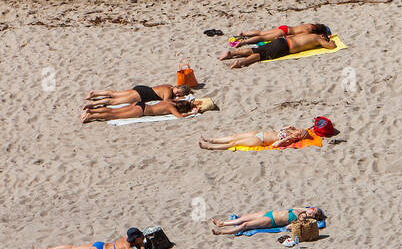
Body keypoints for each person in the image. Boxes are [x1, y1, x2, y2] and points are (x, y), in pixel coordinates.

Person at [216, 27, 334, 68]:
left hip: (282, 40)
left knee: (256, 49)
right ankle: (241, 63)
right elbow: (331, 47)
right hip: (285, 47)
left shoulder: (307, 34)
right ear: (323, 35)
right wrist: (330, 40)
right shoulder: (318, 38)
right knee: (261, 56)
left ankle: (231, 54)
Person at [198, 118, 335, 150]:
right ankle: (212, 140)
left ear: (299, 137)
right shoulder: (293, 130)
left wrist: (288, 138)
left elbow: (275, 144)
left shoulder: (290, 140)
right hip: (260, 133)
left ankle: (210, 147)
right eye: (300, 129)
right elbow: (282, 128)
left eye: (300, 132)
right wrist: (290, 128)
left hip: (261, 141)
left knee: (235, 143)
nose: (298, 130)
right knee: (235, 136)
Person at [81, 96, 214, 123]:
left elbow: (181, 99)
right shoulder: (172, 108)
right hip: (141, 111)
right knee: (114, 115)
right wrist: (191, 113)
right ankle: (91, 116)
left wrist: (190, 102)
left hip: (139, 104)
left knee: (113, 111)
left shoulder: (170, 101)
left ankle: (91, 111)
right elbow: (179, 117)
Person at [211, 206, 326, 235]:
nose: (310, 210)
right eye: (312, 208)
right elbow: (295, 208)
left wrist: (306, 218)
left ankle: (222, 232)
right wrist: (306, 210)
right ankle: (223, 223)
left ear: (313, 217)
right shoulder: (303, 211)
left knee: (246, 224)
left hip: (272, 221)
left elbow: (288, 227)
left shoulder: (302, 219)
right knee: (243, 218)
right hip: (270, 213)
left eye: (313, 211)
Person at [84, 83, 192, 108]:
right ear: (177, 87)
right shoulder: (168, 93)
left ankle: (95, 94)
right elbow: (166, 102)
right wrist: (178, 100)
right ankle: (93, 103)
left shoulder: (168, 86)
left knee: (115, 94)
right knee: (113, 101)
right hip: (141, 95)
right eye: (178, 92)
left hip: (141, 88)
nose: (177, 94)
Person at [230, 22, 330, 48]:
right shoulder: (308, 32)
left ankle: (244, 34)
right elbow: (296, 37)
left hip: (285, 27)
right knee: (262, 38)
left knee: (262, 33)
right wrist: (284, 38)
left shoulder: (309, 25)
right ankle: (243, 42)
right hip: (285, 32)